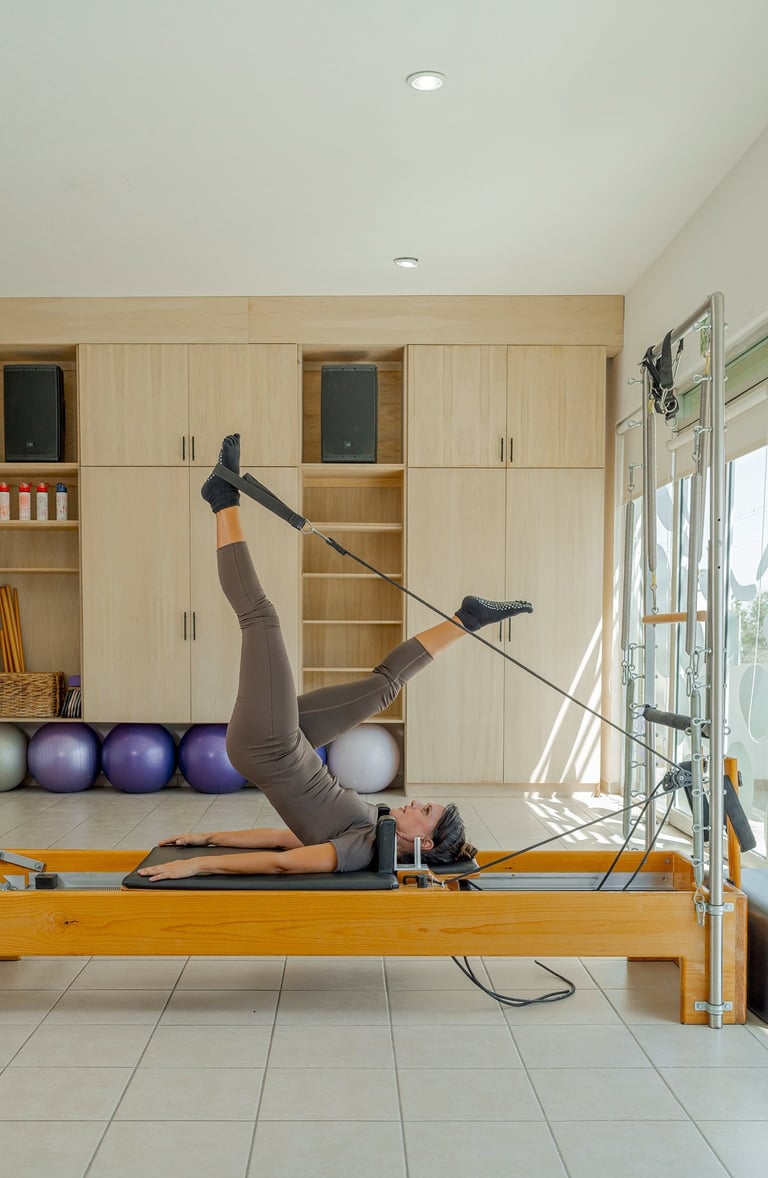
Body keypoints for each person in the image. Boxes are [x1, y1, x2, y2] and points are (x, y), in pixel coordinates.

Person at [139, 435, 533, 882]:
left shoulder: (362, 849)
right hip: (293, 743)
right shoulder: (376, 824)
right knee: (385, 685)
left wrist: (198, 863)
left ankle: (222, 498)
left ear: (423, 843)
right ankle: (467, 619)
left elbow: (283, 861)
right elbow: (283, 838)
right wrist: (208, 838)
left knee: (260, 617)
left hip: (269, 747)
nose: (416, 802)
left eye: (425, 811)